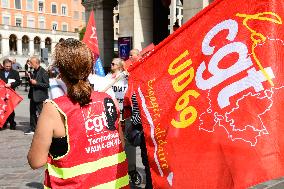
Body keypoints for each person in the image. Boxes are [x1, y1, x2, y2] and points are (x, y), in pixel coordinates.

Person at [27, 38, 129, 188]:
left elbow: (36, 161)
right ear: (89, 68)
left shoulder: (54, 108)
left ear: (60, 72)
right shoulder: (108, 100)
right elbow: (121, 144)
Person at [25, 56, 49, 135]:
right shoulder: (33, 71)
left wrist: (36, 83)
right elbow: (32, 83)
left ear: (36, 63)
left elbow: (46, 85)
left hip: (40, 96)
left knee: (41, 114)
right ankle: (33, 128)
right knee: (32, 113)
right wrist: (29, 79)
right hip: (33, 95)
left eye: (31, 63)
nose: (30, 64)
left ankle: (44, 129)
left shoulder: (43, 72)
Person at [0, 58, 21, 130]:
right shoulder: (0, 72)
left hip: (10, 93)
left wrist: (11, 85)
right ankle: (3, 123)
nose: (8, 68)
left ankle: (12, 123)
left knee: (10, 108)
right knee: (2, 108)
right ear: (3, 65)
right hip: (1, 94)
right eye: (6, 66)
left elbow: (18, 82)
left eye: (9, 66)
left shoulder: (15, 73)